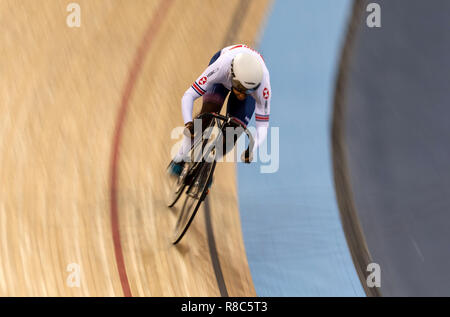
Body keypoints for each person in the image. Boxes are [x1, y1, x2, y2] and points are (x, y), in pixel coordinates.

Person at [169, 44, 272, 176]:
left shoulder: (262, 85)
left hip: (244, 79)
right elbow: (189, 96)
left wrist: (251, 149)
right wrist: (189, 123)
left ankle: (206, 167)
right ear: (233, 77)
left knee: (233, 134)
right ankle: (180, 157)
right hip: (221, 78)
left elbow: (263, 125)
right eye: (241, 90)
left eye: (249, 91)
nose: (243, 95)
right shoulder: (221, 67)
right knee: (206, 115)